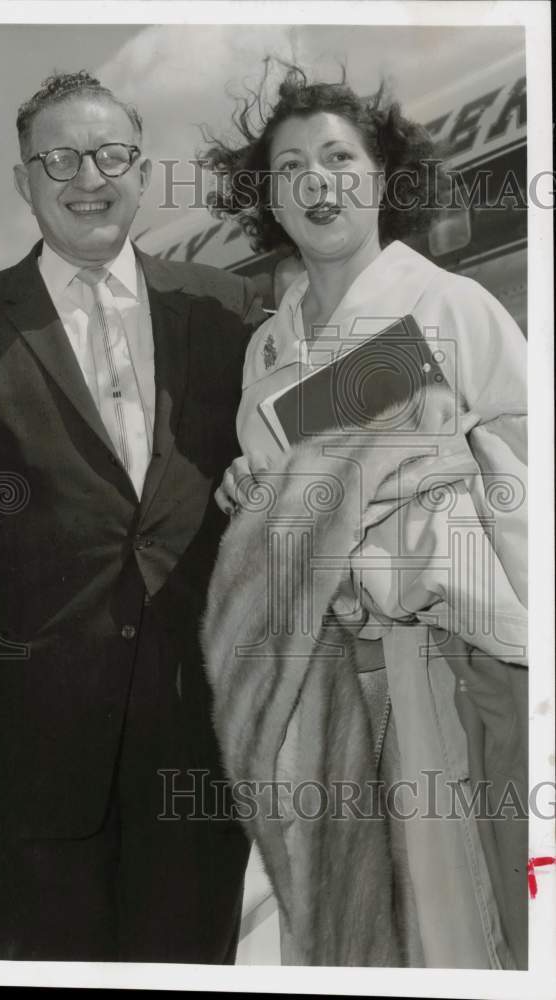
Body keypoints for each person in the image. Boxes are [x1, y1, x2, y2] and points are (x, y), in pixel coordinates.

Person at [0, 70, 264, 962]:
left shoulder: (221, 309)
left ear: (143, 171)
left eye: (110, 154)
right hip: (19, 753)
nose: (87, 177)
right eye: (57, 157)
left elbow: (324, 425)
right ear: (23, 180)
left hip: (198, 742)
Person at [201, 65, 528, 969]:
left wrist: (421, 477)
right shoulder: (269, 344)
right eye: (291, 167)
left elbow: (530, 444)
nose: (319, 181)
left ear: (382, 175)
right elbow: (289, 491)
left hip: (441, 654)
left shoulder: (450, 304)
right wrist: (253, 488)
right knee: (333, 921)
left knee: (453, 912)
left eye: (340, 158)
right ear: (269, 198)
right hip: (320, 673)